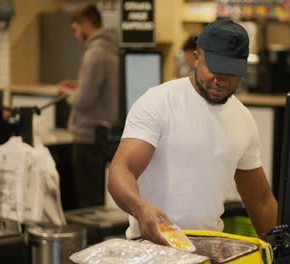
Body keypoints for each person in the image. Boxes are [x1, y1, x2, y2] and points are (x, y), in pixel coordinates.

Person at [108, 19, 278, 246]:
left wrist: (283, 251)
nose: (221, 80)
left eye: (231, 72)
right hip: (152, 247)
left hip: (210, 249)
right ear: (196, 57)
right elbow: (122, 170)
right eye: (214, 69)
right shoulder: (159, 102)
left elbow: (261, 201)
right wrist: (141, 209)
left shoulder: (243, 118)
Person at [59, 3, 119, 208]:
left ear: (85, 24)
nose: (76, 36)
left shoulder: (95, 53)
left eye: (76, 30)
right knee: (100, 199)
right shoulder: (112, 49)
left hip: (88, 136)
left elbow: (84, 100)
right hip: (104, 136)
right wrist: (79, 86)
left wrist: (68, 93)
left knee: (88, 203)